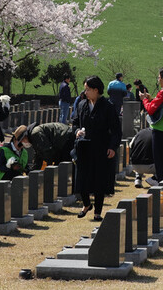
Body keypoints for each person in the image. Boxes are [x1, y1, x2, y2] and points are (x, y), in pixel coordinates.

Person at [72, 75, 121, 220]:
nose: (85, 92)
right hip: (84, 146)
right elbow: (74, 122)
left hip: (101, 147)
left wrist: (112, 147)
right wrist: (77, 131)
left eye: (88, 89)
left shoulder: (108, 106)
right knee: (81, 178)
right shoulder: (82, 105)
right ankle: (86, 204)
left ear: (96, 90)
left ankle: (97, 212)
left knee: (99, 179)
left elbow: (116, 130)